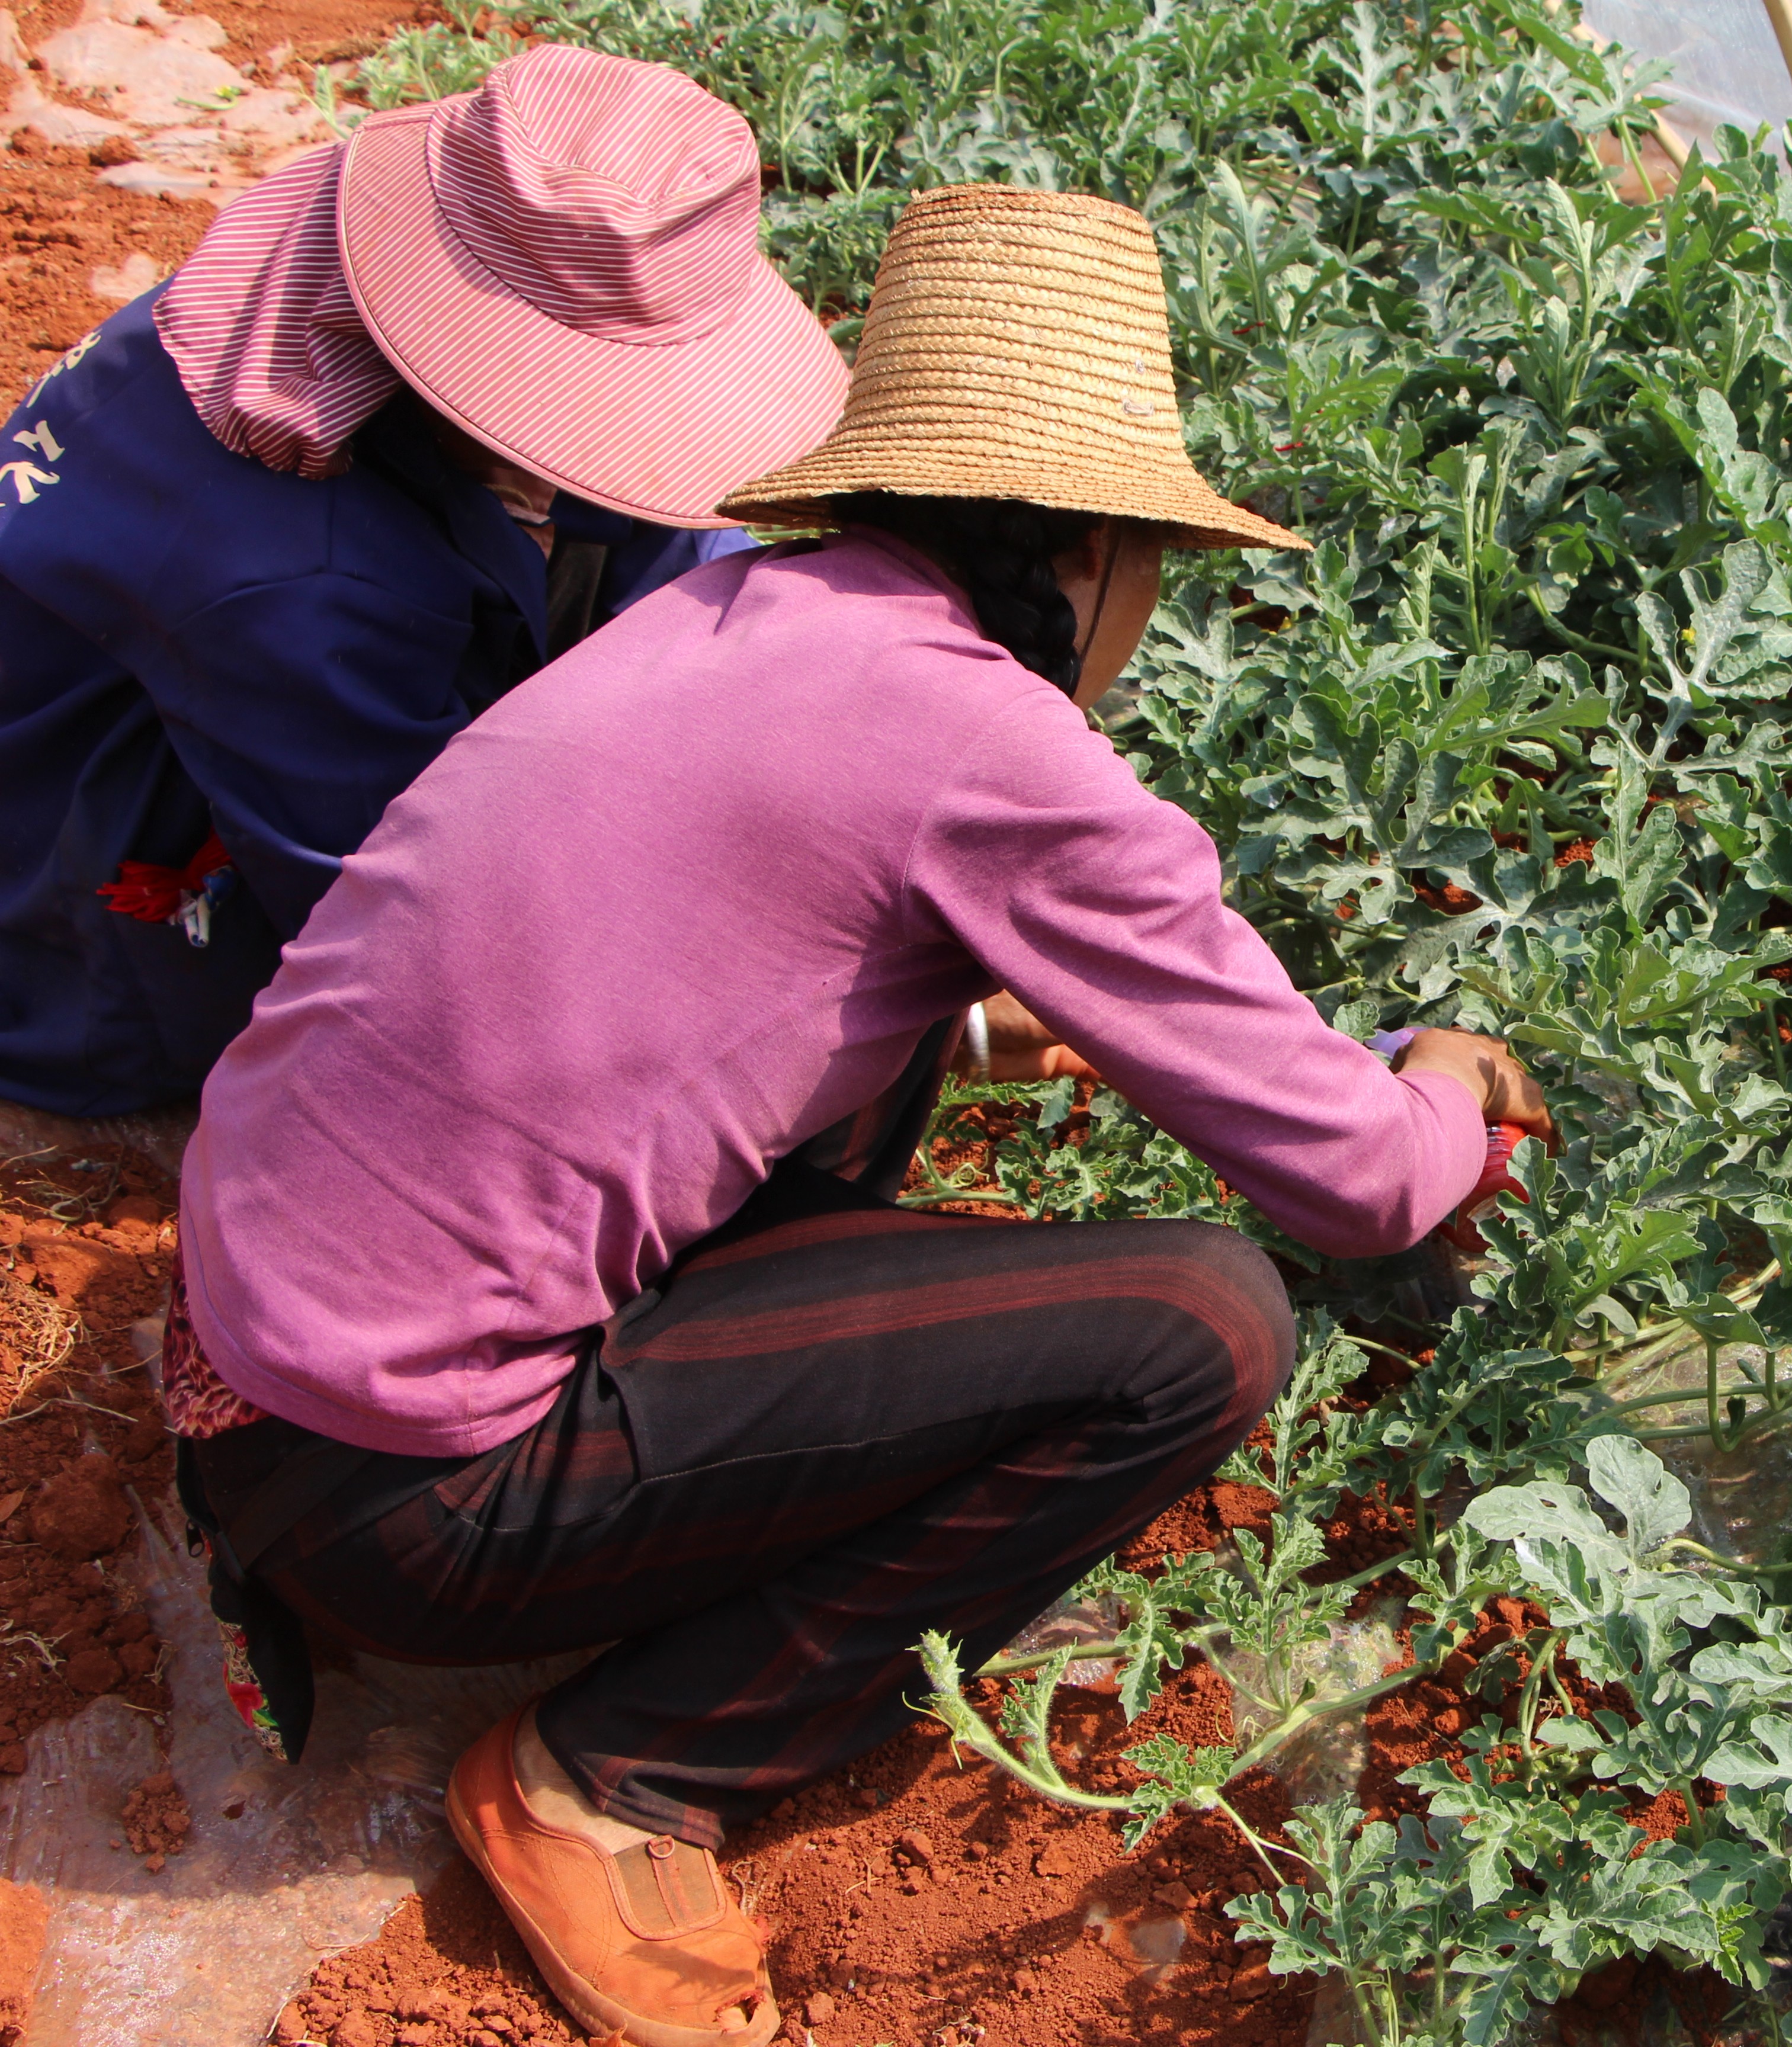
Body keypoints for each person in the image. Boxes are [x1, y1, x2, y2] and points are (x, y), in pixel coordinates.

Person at [162, 186, 1553, 2047]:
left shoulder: (742, 607)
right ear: (1091, 549)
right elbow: (1369, 1184)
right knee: (1202, 1322)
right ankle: (616, 1775)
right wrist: (1452, 1074)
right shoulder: (995, 746)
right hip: (404, 1498)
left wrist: (953, 1042)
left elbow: (650, 972)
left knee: (906, 1089)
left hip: (241, 1368)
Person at [0, 44, 849, 1117]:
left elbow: (678, 545)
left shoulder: (330, 269)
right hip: (75, 920)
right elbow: (410, 940)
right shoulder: (304, 584)